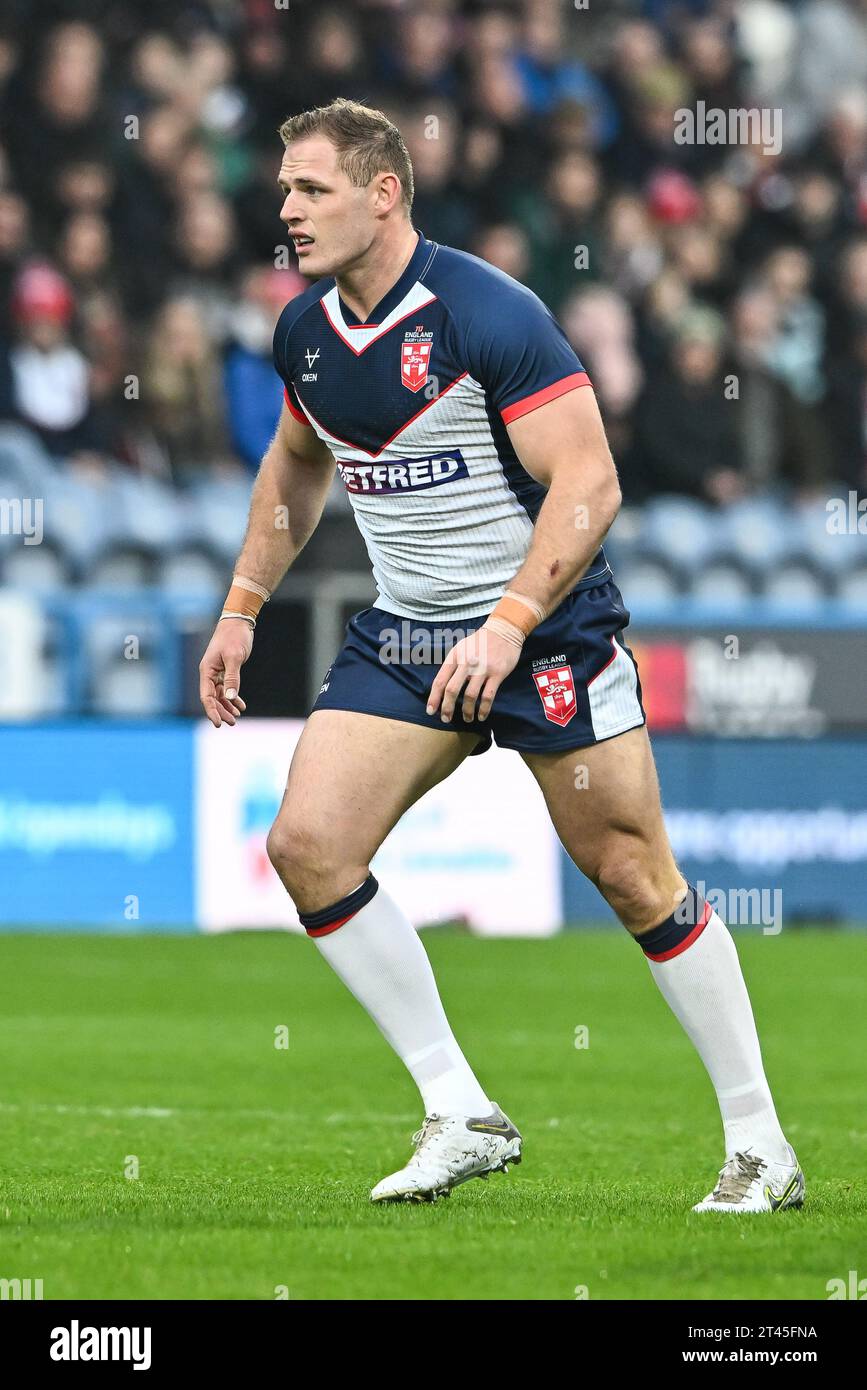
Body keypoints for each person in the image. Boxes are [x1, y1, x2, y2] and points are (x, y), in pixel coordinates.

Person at [198, 99, 803, 1213]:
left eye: (310, 188)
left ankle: (761, 1144)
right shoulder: (303, 335)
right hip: (410, 633)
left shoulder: (486, 312)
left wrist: (510, 624)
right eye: (284, 189)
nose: (285, 209)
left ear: (384, 193)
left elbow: (592, 483)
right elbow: (294, 465)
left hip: (543, 628)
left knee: (634, 876)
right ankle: (460, 1109)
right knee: (307, 845)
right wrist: (240, 608)